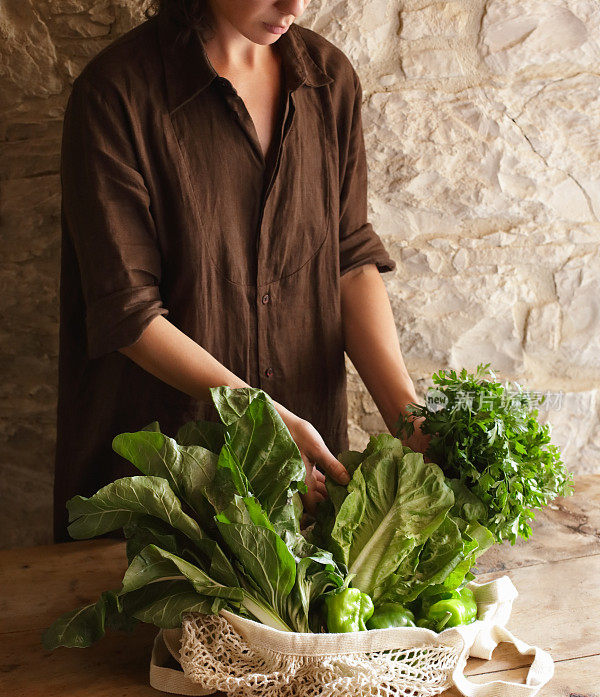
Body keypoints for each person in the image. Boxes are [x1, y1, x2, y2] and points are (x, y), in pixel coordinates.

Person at [53, 0, 428, 543]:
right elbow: (127, 313)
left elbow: (346, 261)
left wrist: (405, 413)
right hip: (165, 499)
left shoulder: (327, 81)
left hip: (307, 496)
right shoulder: (116, 95)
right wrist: (258, 422)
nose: (294, 7)